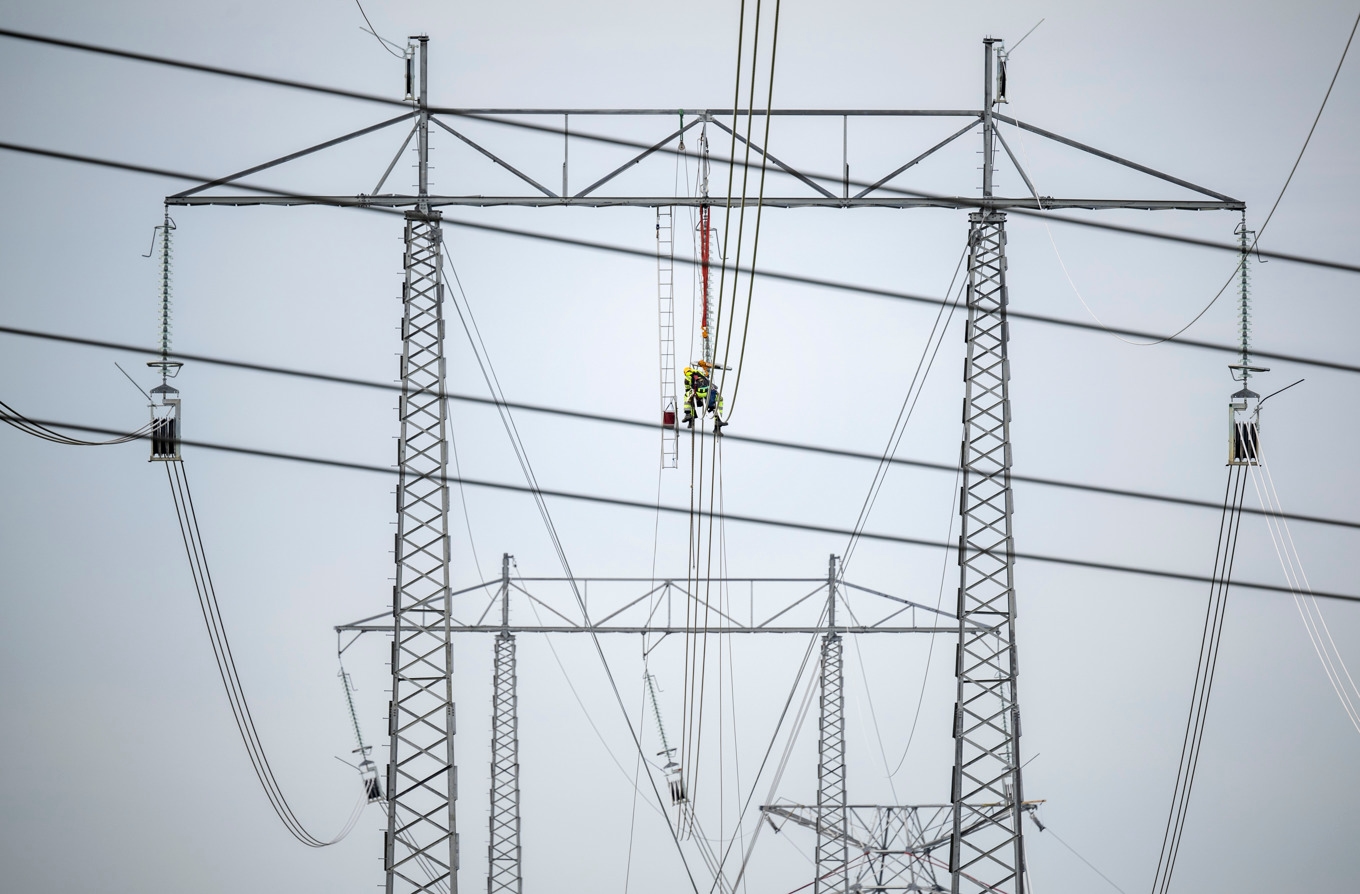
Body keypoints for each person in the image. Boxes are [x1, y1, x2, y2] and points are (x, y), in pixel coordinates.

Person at [682, 362, 726, 433]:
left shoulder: (687, 377)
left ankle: (688, 415)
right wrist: (704, 368)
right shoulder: (699, 372)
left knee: (688, 398)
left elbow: (687, 389)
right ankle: (718, 421)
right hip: (708, 393)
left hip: (698, 393)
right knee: (720, 399)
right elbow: (707, 375)